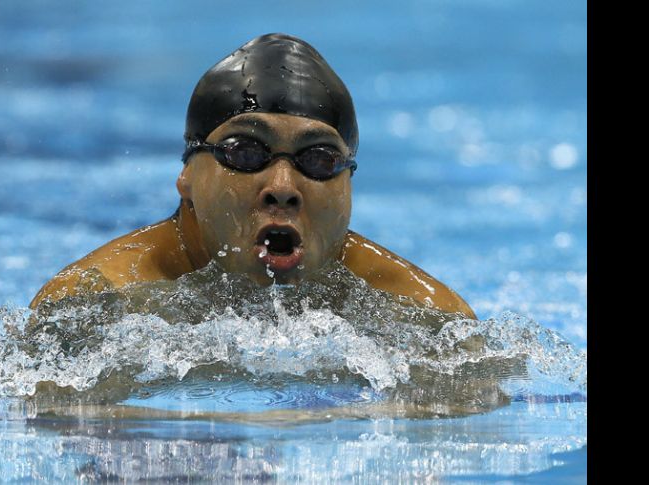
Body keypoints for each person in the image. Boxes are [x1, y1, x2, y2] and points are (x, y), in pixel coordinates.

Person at [29, 33, 476, 319]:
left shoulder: (422, 313)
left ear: (348, 183)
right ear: (186, 175)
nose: (282, 188)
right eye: (245, 153)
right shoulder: (97, 301)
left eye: (318, 160)